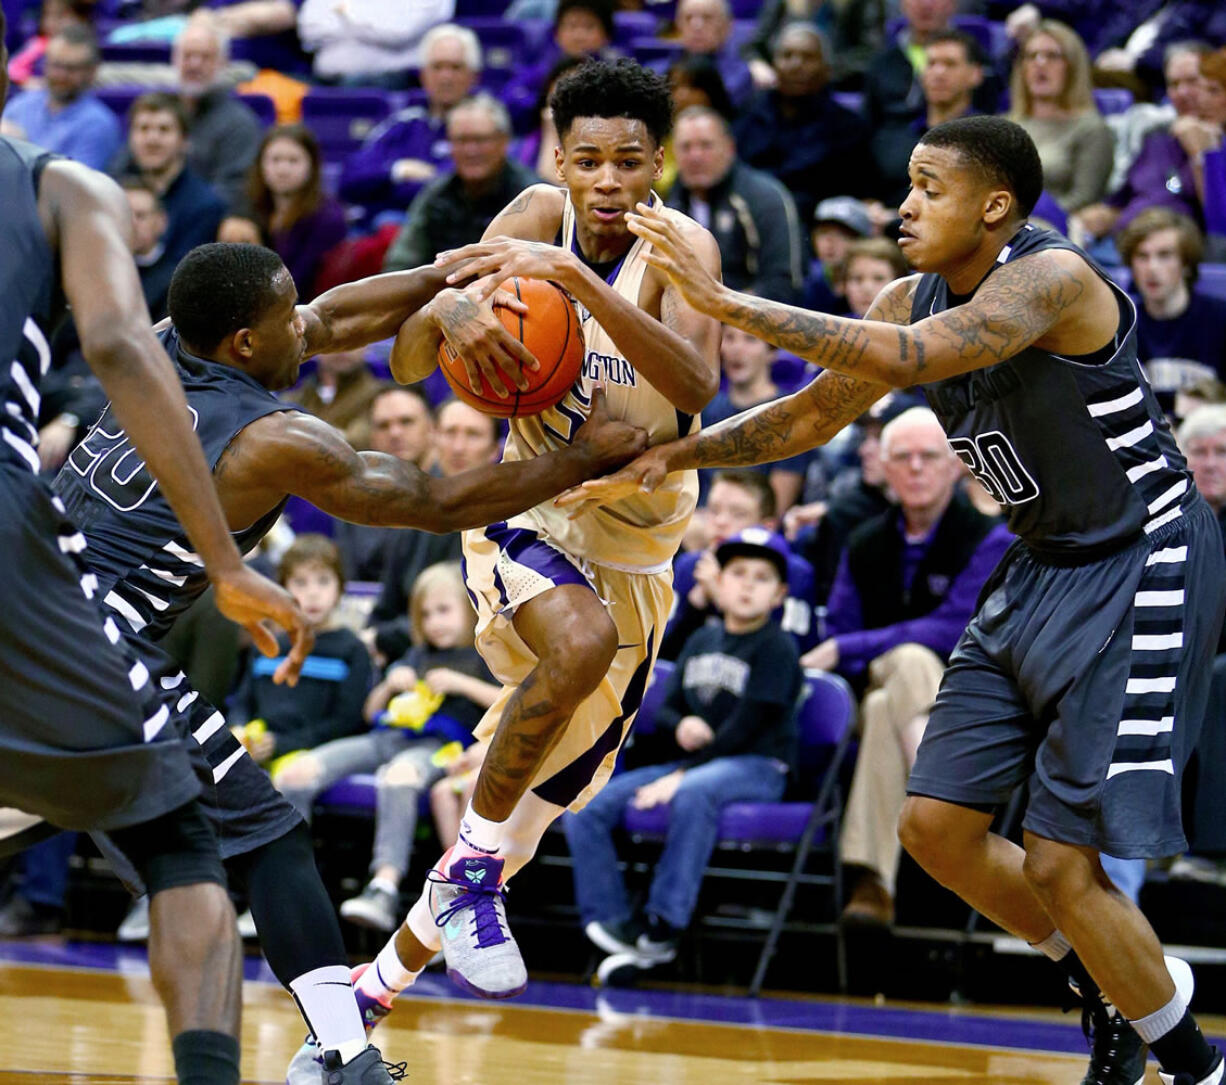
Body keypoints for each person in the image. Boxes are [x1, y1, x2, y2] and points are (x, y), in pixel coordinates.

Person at [562, 114, 1226, 1085]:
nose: (902, 204)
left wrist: (722, 301)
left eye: (927, 187)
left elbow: (914, 357)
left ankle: (1191, 1061)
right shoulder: (902, 295)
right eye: (904, 182)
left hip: (1143, 554)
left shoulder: (1050, 278)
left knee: (1055, 860)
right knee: (935, 829)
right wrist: (678, 453)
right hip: (1042, 558)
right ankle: (1114, 978)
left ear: (993, 206)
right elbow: (807, 411)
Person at [51, 240, 645, 1083]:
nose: (305, 319)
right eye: (282, 314)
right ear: (245, 345)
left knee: (181, 851)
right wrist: (580, 460)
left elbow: (332, 317)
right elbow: (434, 501)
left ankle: (339, 1053)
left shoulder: (164, 340)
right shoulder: (271, 439)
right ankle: (340, 1054)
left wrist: (449, 282)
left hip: (27, 628)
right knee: (263, 846)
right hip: (93, 655)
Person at [357, 57, 722, 1007]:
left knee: (520, 822)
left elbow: (695, 385)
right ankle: (471, 874)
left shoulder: (683, 247)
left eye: (629, 162)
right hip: (527, 507)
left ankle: (364, 994)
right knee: (576, 641)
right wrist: (444, 306)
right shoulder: (523, 218)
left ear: (659, 167)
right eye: (588, 160)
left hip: (639, 552)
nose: (607, 182)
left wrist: (576, 285)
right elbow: (402, 362)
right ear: (557, 159)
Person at [0, 12, 311, 1085]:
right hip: (16, 531)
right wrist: (225, 561)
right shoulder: (66, 185)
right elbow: (126, 347)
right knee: (184, 835)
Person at [563, 528, 800, 977]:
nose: (748, 584)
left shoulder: (778, 647)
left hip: (761, 766)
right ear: (717, 582)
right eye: (738, 573)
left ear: (780, 594)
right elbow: (666, 709)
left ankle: (663, 924)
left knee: (693, 792)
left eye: (762, 577)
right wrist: (682, 724)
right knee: (585, 803)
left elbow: (749, 728)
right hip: (696, 765)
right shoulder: (699, 641)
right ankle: (612, 922)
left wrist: (678, 776)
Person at [817, 407, 1011, 927]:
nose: (917, 468)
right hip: (884, 693)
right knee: (900, 665)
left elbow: (957, 630)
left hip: (966, 703)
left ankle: (871, 881)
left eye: (930, 456)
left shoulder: (991, 540)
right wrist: (852, 649)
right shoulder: (863, 541)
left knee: (888, 702)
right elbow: (837, 629)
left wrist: (850, 648)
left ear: (956, 467)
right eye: (903, 457)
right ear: (883, 466)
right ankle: (944, 793)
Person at [276, 562, 498, 934]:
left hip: (439, 746)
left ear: (470, 608)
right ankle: (292, 890)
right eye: (425, 615)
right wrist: (388, 686)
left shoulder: (485, 655)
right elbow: (371, 712)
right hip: (385, 738)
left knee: (399, 777)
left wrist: (462, 684)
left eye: (444, 611)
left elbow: (509, 704)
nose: (434, 623)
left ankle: (384, 886)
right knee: (293, 773)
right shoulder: (415, 654)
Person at [362, 397, 500, 661]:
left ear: (494, 449)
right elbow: (386, 608)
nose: (458, 447)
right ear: (434, 438)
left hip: (477, 659)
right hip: (408, 654)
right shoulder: (412, 506)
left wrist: (384, 638)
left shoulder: (508, 517)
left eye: (473, 435)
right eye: (450, 433)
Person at [229, 535, 372, 768]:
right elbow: (242, 703)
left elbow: (346, 723)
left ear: (340, 587)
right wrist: (239, 731)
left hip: (315, 756)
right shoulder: (268, 644)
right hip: (256, 750)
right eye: (300, 583)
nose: (313, 593)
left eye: (323, 581)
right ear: (283, 589)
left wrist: (281, 745)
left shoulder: (352, 650)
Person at [665, 468, 816, 658]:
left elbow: (793, 656)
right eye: (714, 510)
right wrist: (696, 605)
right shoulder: (690, 566)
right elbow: (663, 660)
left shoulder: (793, 572)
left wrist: (722, 598)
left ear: (767, 527)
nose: (720, 521)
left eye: (738, 514)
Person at [382, 95, 540, 275]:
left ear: (504, 142)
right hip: (442, 293)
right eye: (461, 140)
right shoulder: (437, 193)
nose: (471, 150)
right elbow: (400, 264)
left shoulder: (531, 194)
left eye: (480, 140)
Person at [339, 23, 481, 218]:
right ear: (423, 75)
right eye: (437, 67)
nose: (446, 77)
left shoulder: (483, 128)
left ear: (474, 76)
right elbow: (349, 179)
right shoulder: (403, 123)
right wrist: (398, 171)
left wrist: (387, 190)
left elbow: (458, 191)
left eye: (455, 67)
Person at [666, 105, 804, 304]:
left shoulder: (764, 198)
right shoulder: (667, 205)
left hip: (749, 326)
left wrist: (721, 311)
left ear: (729, 148)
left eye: (706, 145)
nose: (695, 156)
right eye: (686, 147)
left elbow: (783, 286)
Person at [733, 22, 869, 224]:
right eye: (787, 56)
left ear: (827, 68)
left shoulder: (849, 127)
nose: (796, 65)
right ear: (774, 64)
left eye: (808, 57)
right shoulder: (748, 114)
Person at [220, 124, 347, 301]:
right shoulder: (249, 207)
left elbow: (298, 282)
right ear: (261, 164)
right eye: (275, 160)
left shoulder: (328, 218)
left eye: (293, 161)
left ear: (312, 166)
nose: (283, 169)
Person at [1119, 207, 1226, 411]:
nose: (1152, 268)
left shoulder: (1220, 319)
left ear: (1186, 263)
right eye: (1142, 256)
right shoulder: (1121, 325)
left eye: (1165, 255)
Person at [1008, 20, 1115, 214]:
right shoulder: (1005, 126)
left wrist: (1017, 219)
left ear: (1073, 67)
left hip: (1051, 232)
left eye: (1052, 56)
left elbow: (1083, 200)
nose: (1040, 64)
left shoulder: (1091, 129)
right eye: (1032, 56)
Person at [870, 28, 984, 206]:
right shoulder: (892, 132)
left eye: (950, 64)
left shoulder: (987, 139)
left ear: (975, 74)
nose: (938, 73)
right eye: (931, 64)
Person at [112, 92, 225, 265]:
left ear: (185, 140)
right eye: (143, 129)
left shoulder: (204, 206)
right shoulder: (111, 191)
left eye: (164, 130)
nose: (152, 139)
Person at [0, 25, 121, 170]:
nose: (61, 75)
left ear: (92, 71)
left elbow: (78, 185)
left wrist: (22, 152)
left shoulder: (98, 123)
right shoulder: (20, 105)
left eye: (71, 68)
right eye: (56, 65)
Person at [297, 0, 453, 89]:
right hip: (322, 79)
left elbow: (398, 33)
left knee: (354, 86)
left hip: (391, 80)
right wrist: (368, 24)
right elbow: (308, 28)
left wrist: (344, 13)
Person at [652, 0, 753, 107]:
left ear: (726, 26)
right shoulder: (657, 71)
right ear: (678, 25)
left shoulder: (741, 74)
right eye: (688, 17)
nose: (696, 25)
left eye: (707, 17)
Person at [803, 195, 872, 316]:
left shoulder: (882, 275)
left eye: (841, 234)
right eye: (823, 233)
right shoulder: (806, 280)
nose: (830, 243)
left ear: (861, 241)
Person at [841, 237, 911, 318]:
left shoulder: (918, 328)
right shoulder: (830, 328)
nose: (867, 288)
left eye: (879, 278)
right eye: (857, 279)